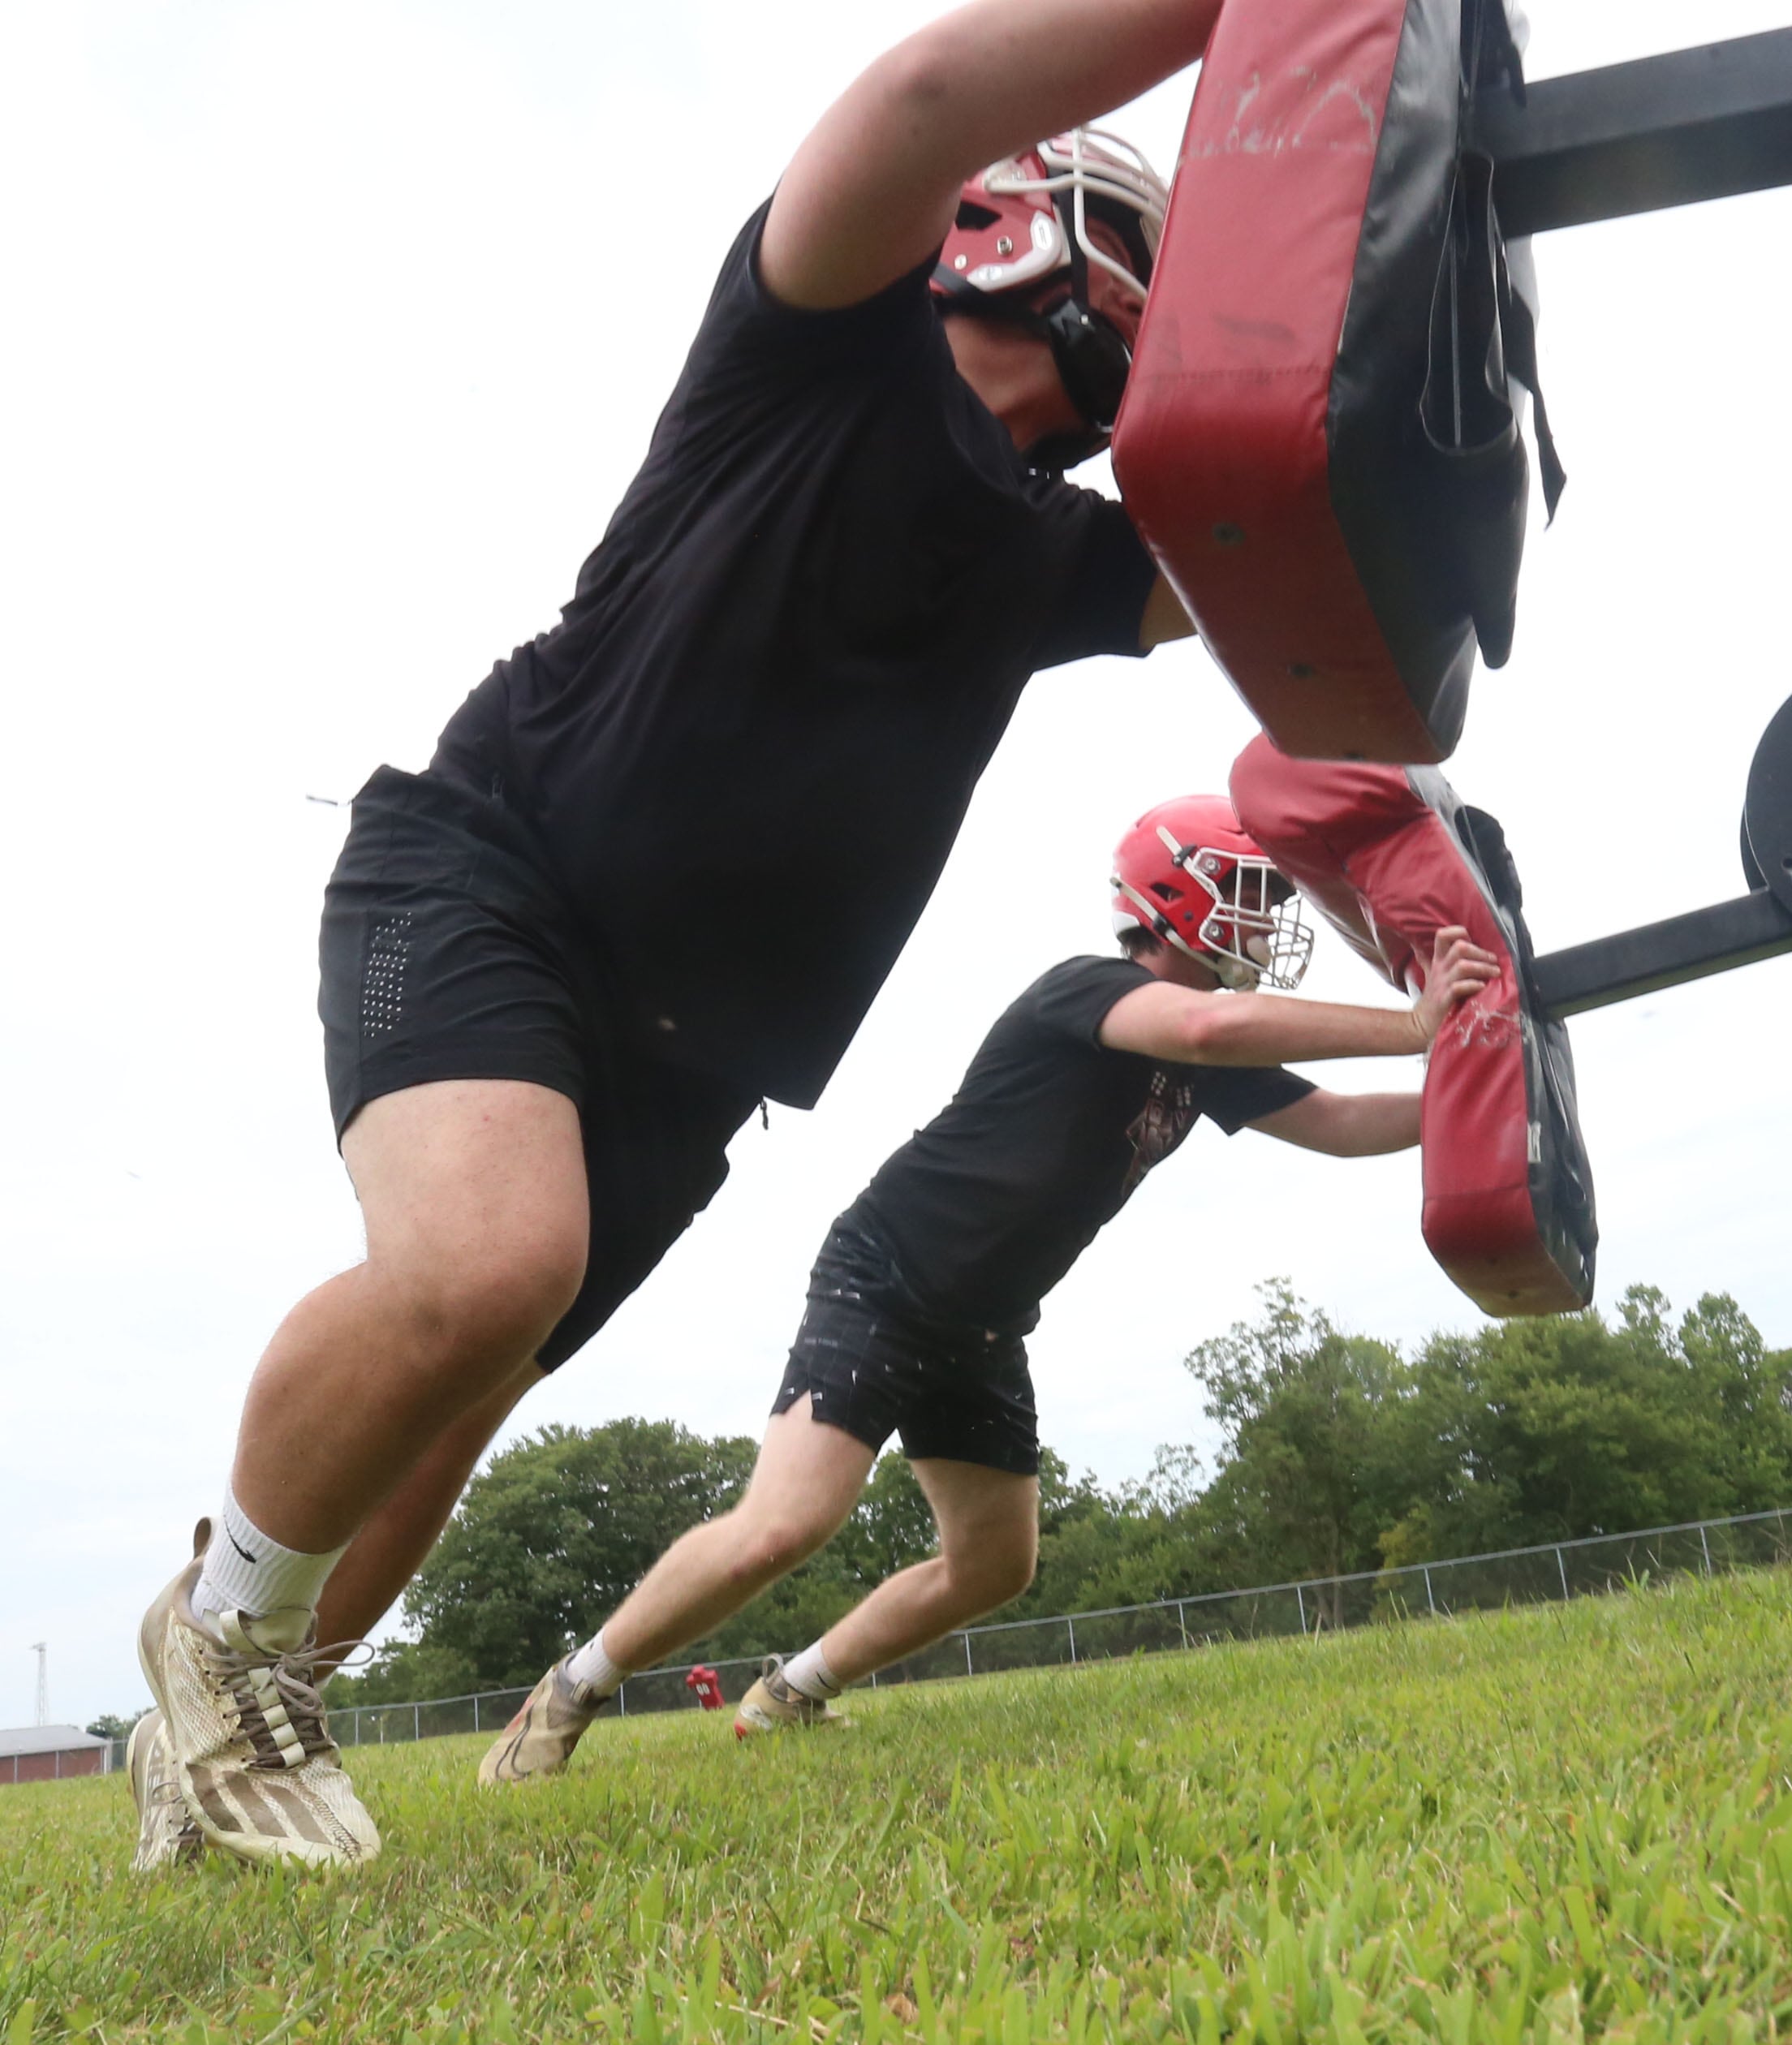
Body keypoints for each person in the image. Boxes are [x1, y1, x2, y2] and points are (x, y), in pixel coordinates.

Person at [135, 0, 1241, 1871]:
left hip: (694, 1054)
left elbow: (1304, 563)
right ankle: (219, 1638)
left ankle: (236, 1738)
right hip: (493, 874)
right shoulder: (816, 347)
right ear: (1016, 225)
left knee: (465, 1387)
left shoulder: (1057, 552)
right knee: (483, 1269)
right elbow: (921, 90)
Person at [473, 801, 1496, 1781]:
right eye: (1245, 891)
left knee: (995, 1561)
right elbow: (1197, 1027)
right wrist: (1413, 1023)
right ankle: (568, 1691)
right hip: (885, 1275)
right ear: (1174, 894)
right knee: (785, 1525)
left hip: (982, 1321)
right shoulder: (1089, 989)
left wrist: (1477, 1080)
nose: (1266, 919)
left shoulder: (1212, 1051)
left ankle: (790, 1692)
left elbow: (1340, 1122)